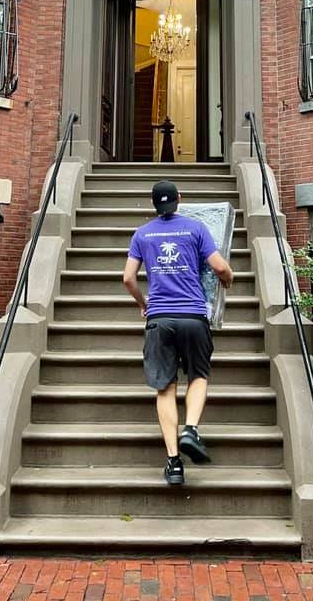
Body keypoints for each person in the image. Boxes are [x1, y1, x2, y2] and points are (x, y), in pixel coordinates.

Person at [122, 180, 234, 485]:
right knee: (198, 375)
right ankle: (191, 429)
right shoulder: (196, 228)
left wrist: (143, 303)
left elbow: (128, 278)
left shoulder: (142, 234)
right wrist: (228, 278)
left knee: (165, 387)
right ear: (179, 199)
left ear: (153, 204)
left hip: (159, 318)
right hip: (193, 316)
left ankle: (173, 463)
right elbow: (219, 267)